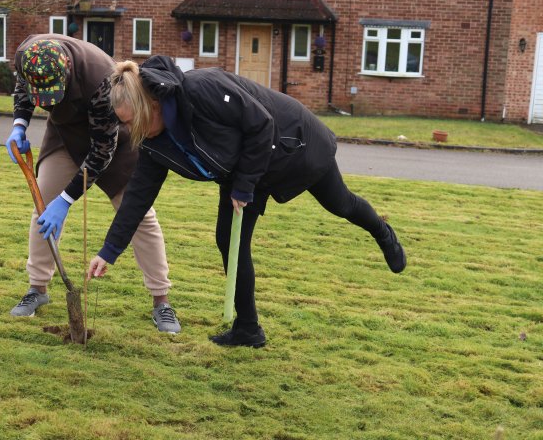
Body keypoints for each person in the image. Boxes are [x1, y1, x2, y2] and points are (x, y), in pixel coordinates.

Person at [87, 56, 406, 347]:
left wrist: (243, 186)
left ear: (150, 106)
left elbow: (261, 124)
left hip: (291, 145)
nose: (128, 130)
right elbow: (138, 196)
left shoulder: (202, 89)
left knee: (341, 204)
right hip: (242, 170)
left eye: (130, 121)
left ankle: (382, 232)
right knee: (229, 240)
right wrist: (109, 251)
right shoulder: (155, 143)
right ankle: (248, 329)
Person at [5, 35, 180, 333]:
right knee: (43, 207)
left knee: (139, 215)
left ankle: (161, 300)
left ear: (68, 68)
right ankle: (38, 289)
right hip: (64, 134)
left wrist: (67, 200)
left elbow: (101, 151)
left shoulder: (102, 80)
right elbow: (24, 87)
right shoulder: (27, 55)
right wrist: (19, 124)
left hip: (113, 142)